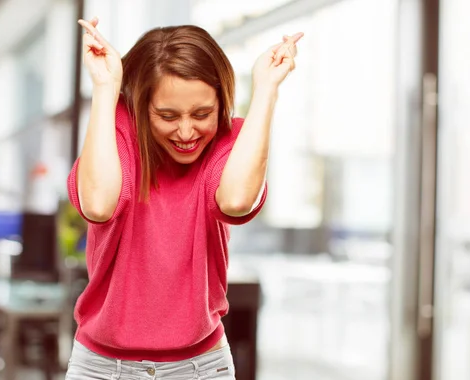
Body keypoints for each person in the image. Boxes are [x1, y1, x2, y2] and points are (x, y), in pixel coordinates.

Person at [66, 16, 302, 380]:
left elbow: (237, 200)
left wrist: (267, 89)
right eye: (167, 115)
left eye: (202, 113)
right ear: (142, 107)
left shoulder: (228, 143)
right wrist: (105, 88)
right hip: (100, 368)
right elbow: (97, 205)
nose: (188, 131)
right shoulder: (118, 136)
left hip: (201, 367)